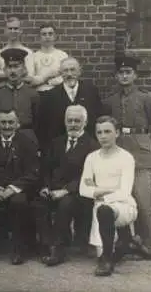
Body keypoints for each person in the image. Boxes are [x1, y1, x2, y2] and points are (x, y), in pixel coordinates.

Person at [103, 55, 151, 261]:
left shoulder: (147, 98)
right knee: (120, 196)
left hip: (140, 149)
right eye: (120, 73)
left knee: (142, 199)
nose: (124, 76)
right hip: (119, 149)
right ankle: (125, 240)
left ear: (135, 75)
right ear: (115, 76)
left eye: (128, 72)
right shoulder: (110, 100)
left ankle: (146, 244)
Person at [0, 109, 40, 265]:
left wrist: (13, 188)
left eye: (11, 122)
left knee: (19, 203)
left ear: (17, 124)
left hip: (16, 189)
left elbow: (33, 172)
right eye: (3, 122)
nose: (7, 126)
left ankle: (18, 249)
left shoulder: (27, 144)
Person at [37, 105, 99, 266]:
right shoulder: (56, 142)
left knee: (65, 204)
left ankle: (59, 250)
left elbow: (88, 176)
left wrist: (65, 191)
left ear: (85, 123)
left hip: (77, 192)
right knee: (38, 203)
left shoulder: (92, 146)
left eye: (77, 121)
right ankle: (46, 244)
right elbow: (46, 168)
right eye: (69, 121)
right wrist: (45, 186)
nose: (73, 124)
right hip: (53, 189)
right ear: (64, 122)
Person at [79, 115, 138, 277]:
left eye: (107, 131)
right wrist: (110, 188)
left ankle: (107, 260)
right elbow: (84, 189)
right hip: (100, 205)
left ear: (117, 133)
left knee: (104, 209)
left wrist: (99, 191)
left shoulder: (126, 157)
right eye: (99, 132)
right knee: (102, 210)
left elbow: (125, 191)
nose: (103, 136)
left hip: (124, 205)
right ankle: (124, 242)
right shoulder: (92, 158)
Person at [40, 57, 103, 150]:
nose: (69, 74)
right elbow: (45, 127)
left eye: (73, 70)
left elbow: (97, 119)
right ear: (60, 73)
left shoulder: (91, 92)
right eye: (65, 71)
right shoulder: (51, 96)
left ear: (79, 71)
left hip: (87, 148)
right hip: (60, 149)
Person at [0, 48, 40, 146]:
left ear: (23, 69)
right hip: (2, 140)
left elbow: (38, 122)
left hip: (27, 139)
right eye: (9, 67)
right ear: (5, 70)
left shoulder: (32, 94)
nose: (12, 71)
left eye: (16, 66)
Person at [0, 16, 34, 88]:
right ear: (5, 31)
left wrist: (5, 77)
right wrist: (19, 73)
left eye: (16, 28)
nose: (13, 31)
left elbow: (30, 77)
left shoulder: (28, 52)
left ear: (21, 31)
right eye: (10, 28)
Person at [27, 23, 69, 94]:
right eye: (44, 34)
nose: (47, 36)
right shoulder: (32, 56)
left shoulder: (63, 55)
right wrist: (48, 76)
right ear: (39, 37)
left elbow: (66, 78)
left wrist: (41, 80)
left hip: (59, 94)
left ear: (55, 36)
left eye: (50, 34)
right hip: (39, 94)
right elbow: (30, 82)